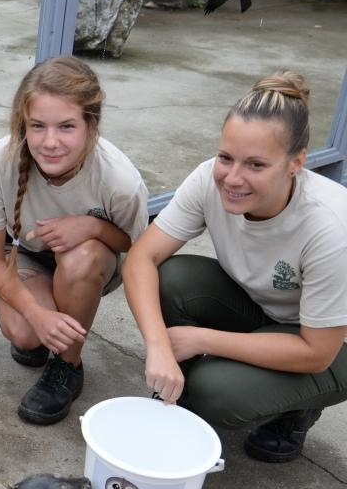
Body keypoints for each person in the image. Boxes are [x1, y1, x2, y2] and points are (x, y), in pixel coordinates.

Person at [122, 70, 347, 463]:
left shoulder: (331, 228)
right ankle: (178, 390)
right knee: (170, 278)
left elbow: (316, 352)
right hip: (267, 311)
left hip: (330, 344)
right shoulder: (208, 178)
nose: (233, 178)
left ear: (296, 163)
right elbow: (142, 257)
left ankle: (296, 408)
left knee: (218, 392)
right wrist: (159, 346)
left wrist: (201, 340)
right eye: (226, 157)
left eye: (256, 165)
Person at [0, 55, 149, 425]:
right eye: (37, 126)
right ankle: (42, 327)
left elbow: (135, 246)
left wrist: (92, 228)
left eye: (66, 126)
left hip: (94, 265)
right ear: (23, 124)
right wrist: (37, 315)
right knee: (26, 334)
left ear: (91, 125)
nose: (50, 142)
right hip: (28, 258)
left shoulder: (120, 181)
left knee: (80, 260)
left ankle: (68, 366)